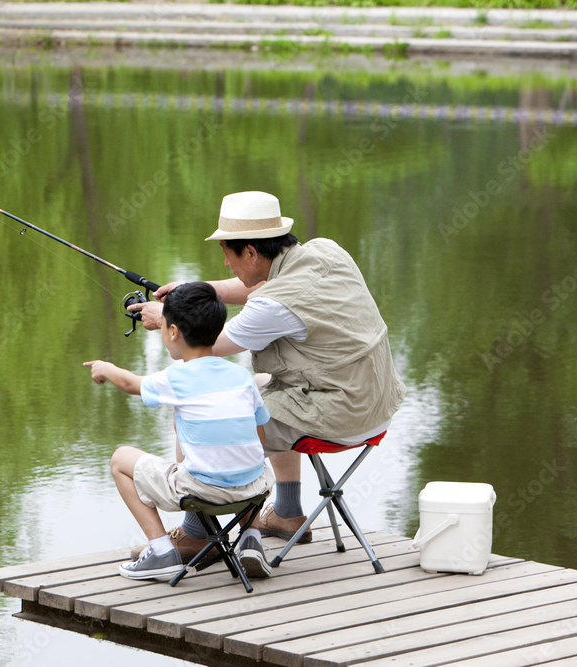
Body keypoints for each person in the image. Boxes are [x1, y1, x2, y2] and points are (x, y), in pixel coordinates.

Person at [128, 190, 407, 555]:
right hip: (378, 403)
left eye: (227, 254)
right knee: (260, 387)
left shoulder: (272, 305)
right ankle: (287, 512)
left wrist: (167, 318)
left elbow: (201, 345)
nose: (226, 265)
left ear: (250, 252)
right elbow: (255, 287)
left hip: (342, 415)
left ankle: (199, 534)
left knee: (203, 405)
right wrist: (194, 291)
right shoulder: (324, 251)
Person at [84, 281, 274, 581]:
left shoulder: (177, 378)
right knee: (248, 456)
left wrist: (105, 368)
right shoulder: (241, 376)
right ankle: (251, 538)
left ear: (173, 332)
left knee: (121, 459)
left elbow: (131, 383)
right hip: (254, 491)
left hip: (204, 492)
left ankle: (161, 551)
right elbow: (261, 439)